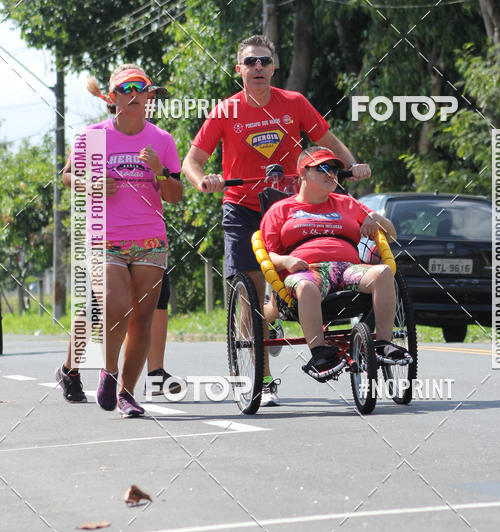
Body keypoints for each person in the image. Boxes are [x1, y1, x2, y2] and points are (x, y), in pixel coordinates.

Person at [182, 34, 370, 404]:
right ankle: (263, 379)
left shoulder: (294, 103)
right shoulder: (225, 111)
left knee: (294, 280)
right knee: (249, 289)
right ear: (238, 70)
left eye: (264, 61)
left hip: (289, 208)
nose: (258, 68)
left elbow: (327, 140)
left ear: (274, 67)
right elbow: (193, 160)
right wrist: (202, 180)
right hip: (242, 208)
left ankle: (274, 318)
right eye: (250, 62)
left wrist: (351, 165)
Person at [55, 64, 183, 416]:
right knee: (114, 306)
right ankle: (108, 372)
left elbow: (174, 194)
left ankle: (127, 393)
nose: (136, 95)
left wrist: (159, 170)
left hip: (151, 240)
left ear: (149, 97)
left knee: (142, 319)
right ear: (112, 98)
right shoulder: (93, 136)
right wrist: (90, 185)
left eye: (142, 89)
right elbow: (67, 177)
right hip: (104, 237)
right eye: (127, 89)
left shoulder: (162, 140)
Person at [260, 146, 404, 379]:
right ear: (303, 173)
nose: (332, 174)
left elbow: (392, 234)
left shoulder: (347, 203)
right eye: (323, 168)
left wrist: (375, 218)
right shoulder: (281, 210)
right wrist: (287, 260)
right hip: (307, 271)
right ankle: (320, 354)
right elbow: (269, 256)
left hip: (347, 269)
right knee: (306, 286)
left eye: (335, 169)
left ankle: (384, 345)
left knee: (384, 272)